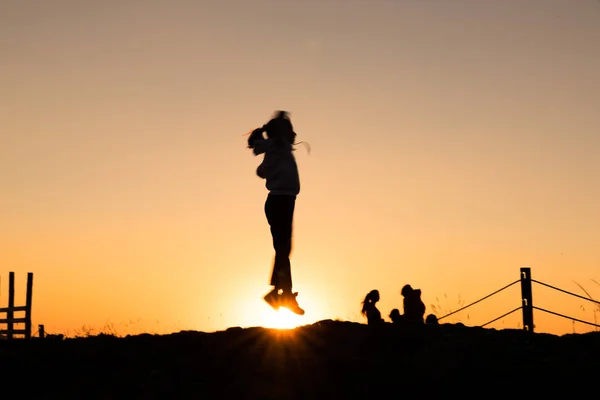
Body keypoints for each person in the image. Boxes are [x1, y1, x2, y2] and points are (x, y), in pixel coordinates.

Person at [247, 111, 304, 315]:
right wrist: (265, 131)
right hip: (279, 200)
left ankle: (278, 292)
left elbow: (258, 146)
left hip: (284, 200)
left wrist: (260, 135)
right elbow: (261, 160)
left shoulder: (280, 147)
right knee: (283, 249)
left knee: (284, 250)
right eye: (290, 130)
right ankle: (282, 293)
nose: (294, 134)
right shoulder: (277, 146)